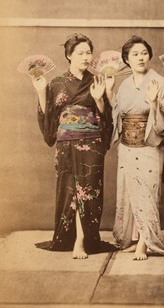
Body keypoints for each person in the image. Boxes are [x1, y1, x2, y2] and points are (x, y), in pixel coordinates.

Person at [32, 33, 115, 259]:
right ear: (69, 55)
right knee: (70, 189)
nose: (86, 57)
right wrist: (41, 92)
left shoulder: (97, 80)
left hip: (92, 142)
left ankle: (81, 241)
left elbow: (107, 115)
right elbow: (49, 116)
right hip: (66, 143)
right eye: (80, 53)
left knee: (87, 190)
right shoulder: (57, 82)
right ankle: (72, 238)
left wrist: (100, 98)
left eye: (89, 52)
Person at [105, 35, 164, 260]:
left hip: (150, 143)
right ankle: (133, 239)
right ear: (127, 59)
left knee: (147, 193)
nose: (141, 57)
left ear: (149, 55)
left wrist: (155, 103)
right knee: (130, 192)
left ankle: (146, 242)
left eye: (144, 53)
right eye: (135, 54)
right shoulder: (124, 84)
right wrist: (110, 92)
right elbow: (117, 111)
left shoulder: (158, 81)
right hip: (127, 145)